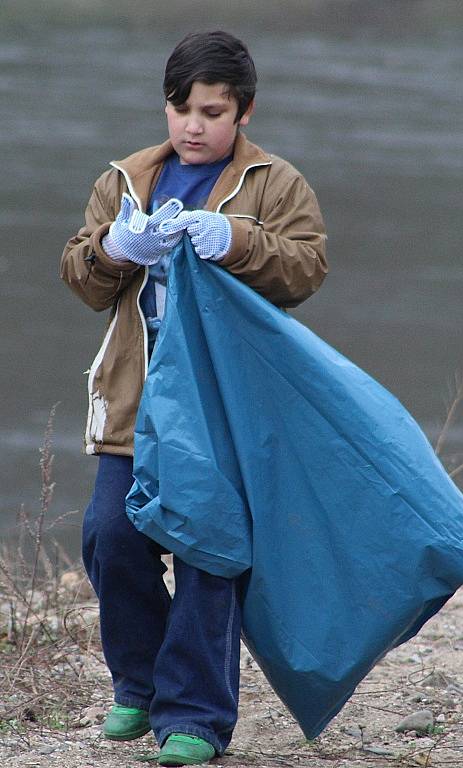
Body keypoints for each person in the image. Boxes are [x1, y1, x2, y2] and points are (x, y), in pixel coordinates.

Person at [60, 30, 327, 767]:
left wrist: (235, 239)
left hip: (225, 413)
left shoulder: (276, 182)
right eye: (180, 108)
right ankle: (139, 687)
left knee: (210, 556)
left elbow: (305, 269)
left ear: (244, 111)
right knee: (111, 537)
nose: (192, 125)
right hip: (134, 406)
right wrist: (115, 252)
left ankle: (196, 720)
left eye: (211, 111)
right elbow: (80, 277)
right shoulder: (125, 179)